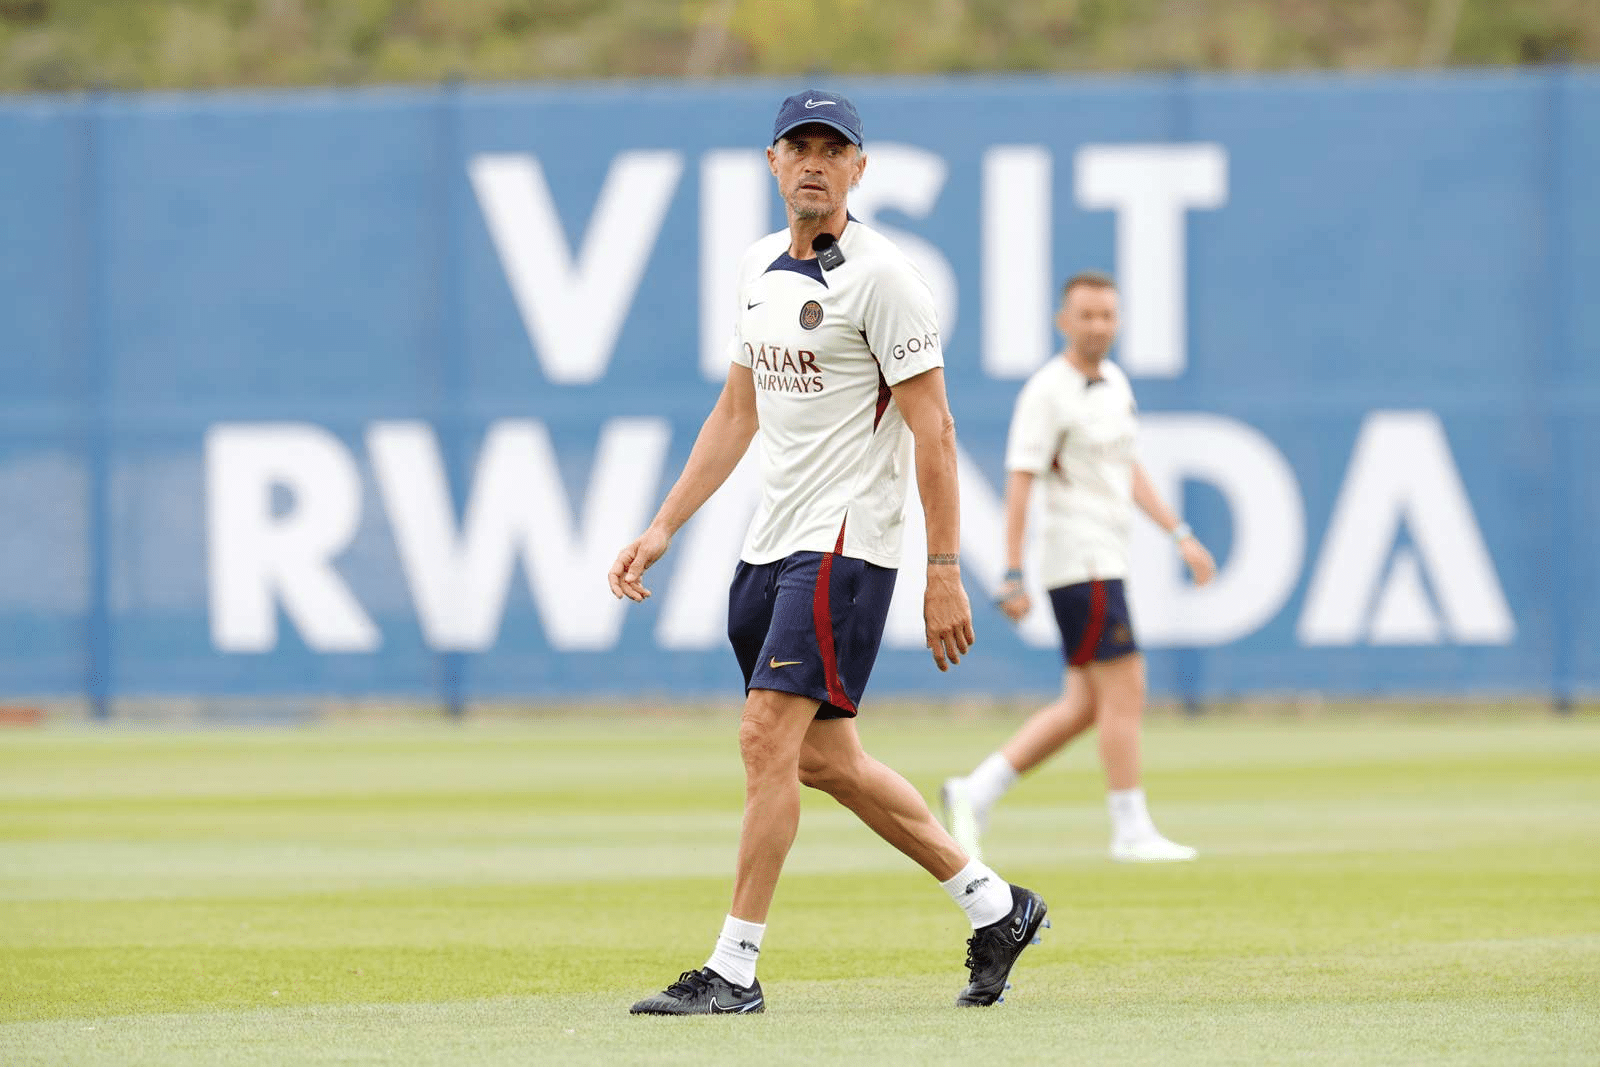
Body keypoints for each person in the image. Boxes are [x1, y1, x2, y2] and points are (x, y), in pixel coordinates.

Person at [608, 90, 1048, 1016]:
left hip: (848, 542)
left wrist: (942, 568)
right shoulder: (757, 268)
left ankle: (733, 970)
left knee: (766, 737)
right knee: (824, 760)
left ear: (858, 167)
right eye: (797, 146)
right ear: (772, 162)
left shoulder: (886, 277)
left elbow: (934, 428)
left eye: (831, 148)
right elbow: (738, 411)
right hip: (771, 540)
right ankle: (996, 904)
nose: (813, 161)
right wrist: (663, 525)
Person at [940, 272, 1217, 865]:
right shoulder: (1048, 391)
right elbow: (1021, 477)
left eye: (1107, 316)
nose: (1098, 326)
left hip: (1107, 556)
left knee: (1084, 706)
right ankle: (1130, 827)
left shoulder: (1115, 383)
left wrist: (1179, 534)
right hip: (1078, 561)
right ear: (1062, 321)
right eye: (1086, 315)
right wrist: (1011, 571)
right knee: (1127, 686)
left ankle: (976, 788)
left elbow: (1127, 466)